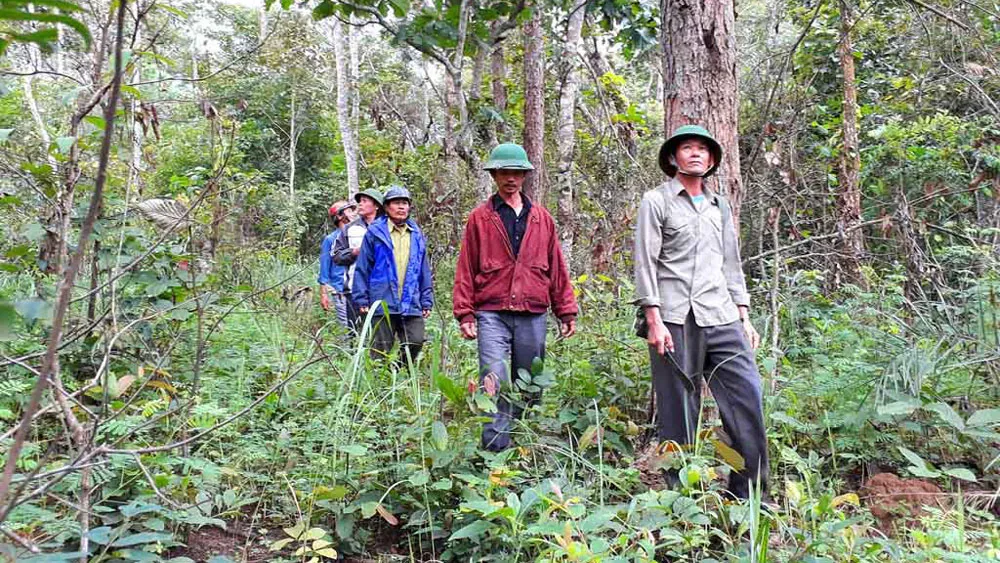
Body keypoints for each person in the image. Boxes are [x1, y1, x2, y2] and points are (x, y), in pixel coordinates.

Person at [633, 124, 768, 499]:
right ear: (673, 158)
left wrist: (743, 314)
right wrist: (653, 319)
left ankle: (750, 498)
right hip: (674, 318)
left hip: (720, 314)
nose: (695, 153)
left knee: (747, 398)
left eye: (702, 150)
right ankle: (681, 501)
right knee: (680, 413)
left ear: (711, 161)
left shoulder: (718, 206)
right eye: (687, 148)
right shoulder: (656, 201)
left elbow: (731, 262)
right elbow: (646, 262)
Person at [453, 143, 578, 452]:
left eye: (517, 173)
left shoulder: (542, 219)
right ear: (495, 175)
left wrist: (566, 310)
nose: (510, 178)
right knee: (493, 378)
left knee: (530, 380)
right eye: (504, 172)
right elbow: (466, 266)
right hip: (491, 311)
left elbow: (556, 266)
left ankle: (523, 445)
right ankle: (495, 451)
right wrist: (465, 313)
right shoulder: (480, 218)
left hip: (532, 311)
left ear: (525, 176)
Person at [351, 185, 434, 362]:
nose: (402, 207)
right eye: (396, 203)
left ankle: (397, 370)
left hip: (411, 299)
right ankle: (380, 386)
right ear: (386, 207)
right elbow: (363, 267)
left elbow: (423, 270)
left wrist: (426, 300)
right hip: (382, 300)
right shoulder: (375, 233)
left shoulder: (416, 234)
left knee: (416, 341)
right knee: (380, 350)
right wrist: (362, 298)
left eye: (405, 203)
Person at [333, 188, 384, 331]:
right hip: (354, 290)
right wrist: (354, 252)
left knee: (380, 335)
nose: (360, 205)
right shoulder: (349, 229)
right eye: (359, 201)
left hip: (382, 290)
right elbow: (336, 256)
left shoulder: (386, 228)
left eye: (365, 201)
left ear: (376, 206)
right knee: (356, 334)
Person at [319, 200, 357, 328]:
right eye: (349, 211)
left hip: (357, 290)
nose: (353, 214)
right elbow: (324, 269)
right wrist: (324, 294)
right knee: (347, 328)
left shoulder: (357, 235)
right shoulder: (330, 240)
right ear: (340, 216)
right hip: (339, 291)